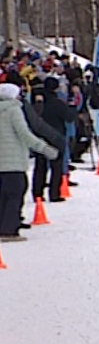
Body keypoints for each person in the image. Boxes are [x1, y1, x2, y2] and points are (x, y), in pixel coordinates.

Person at [0, 83, 59, 242]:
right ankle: (9, 229)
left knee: (3, 195)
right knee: (15, 193)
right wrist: (45, 148)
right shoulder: (13, 110)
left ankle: (3, 225)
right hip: (13, 161)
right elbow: (24, 134)